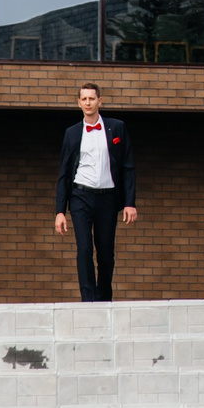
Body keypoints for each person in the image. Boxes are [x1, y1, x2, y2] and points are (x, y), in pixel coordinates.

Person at [52, 81, 138, 301]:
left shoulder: (116, 127)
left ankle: (104, 297)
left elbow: (128, 166)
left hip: (108, 197)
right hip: (81, 196)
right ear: (79, 103)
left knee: (106, 253)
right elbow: (64, 173)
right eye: (84, 99)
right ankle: (88, 300)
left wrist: (130, 202)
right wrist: (60, 211)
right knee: (84, 249)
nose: (88, 102)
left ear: (100, 101)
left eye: (92, 98)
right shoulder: (71, 133)